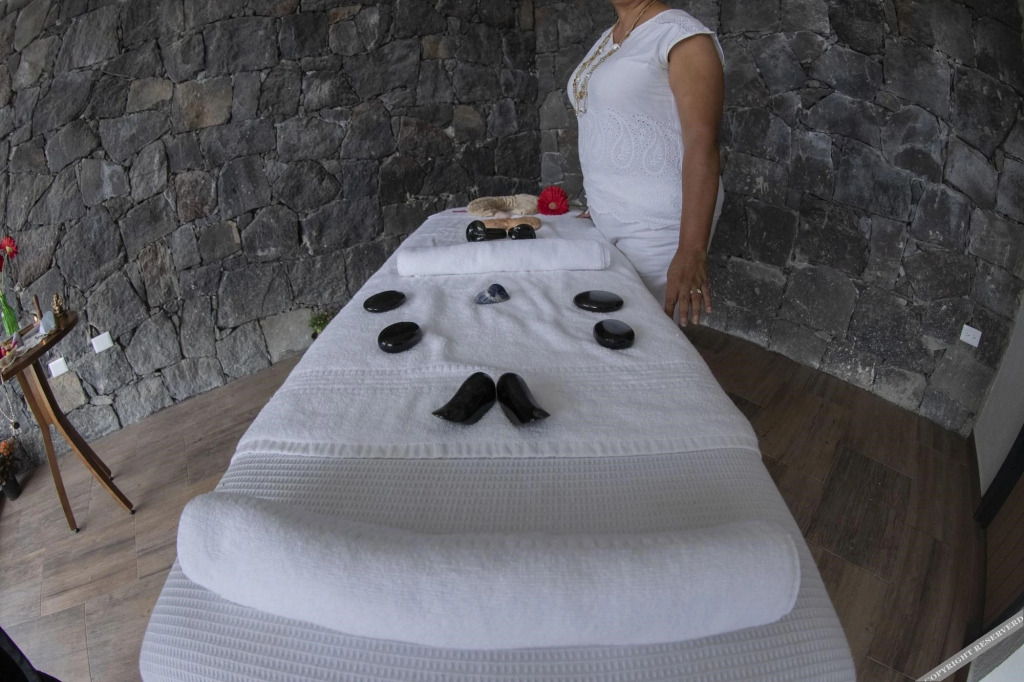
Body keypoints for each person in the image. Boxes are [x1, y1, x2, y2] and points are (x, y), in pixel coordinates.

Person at [569, 0, 725, 326]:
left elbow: (702, 143)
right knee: (603, 329)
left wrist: (692, 251)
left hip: (659, 223)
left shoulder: (681, 35)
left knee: (645, 334)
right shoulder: (611, 36)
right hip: (608, 214)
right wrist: (604, 198)